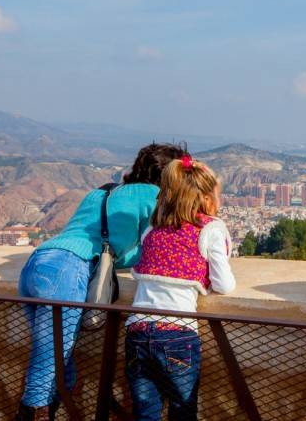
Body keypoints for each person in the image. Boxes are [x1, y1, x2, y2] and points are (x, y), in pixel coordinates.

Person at [16, 143, 187, 421]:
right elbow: (152, 248)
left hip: (38, 263)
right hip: (68, 269)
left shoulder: (101, 191)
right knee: (50, 363)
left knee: (62, 367)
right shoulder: (154, 196)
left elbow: (93, 236)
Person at [125, 155, 236, 421]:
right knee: (183, 410)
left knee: (145, 412)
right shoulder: (210, 229)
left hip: (137, 331)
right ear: (207, 199)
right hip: (177, 334)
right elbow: (225, 284)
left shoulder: (153, 228)